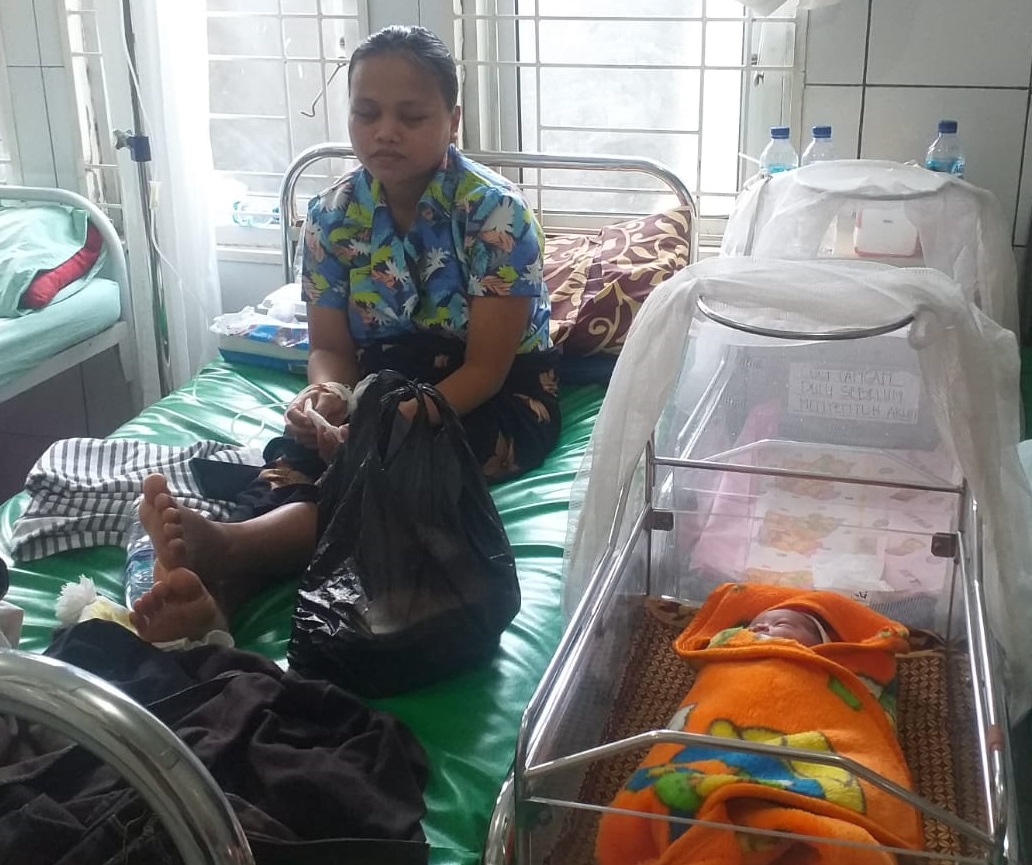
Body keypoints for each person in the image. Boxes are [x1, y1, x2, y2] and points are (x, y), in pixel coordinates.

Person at [129, 25, 559, 644]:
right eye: (366, 112)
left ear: (453, 120)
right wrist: (328, 395)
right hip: (378, 382)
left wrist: (384, 426)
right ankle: (219, 597)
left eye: (412, 115)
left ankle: (231, 551)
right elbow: (331, 349)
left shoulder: (495, 214)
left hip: (490, 395)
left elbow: (487, 370)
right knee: (298, 455)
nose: (386, 131)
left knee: (398, 469)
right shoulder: (330, 217)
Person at [595, 582, 924, 865]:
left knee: (841, 834)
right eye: (754, 624)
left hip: (806, 756)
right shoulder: (730, 653)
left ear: (821, 644)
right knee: (664, 792)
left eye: (781, 623)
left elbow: (862, 700)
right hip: (713, 744)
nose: (761, 628)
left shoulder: (831, 670)